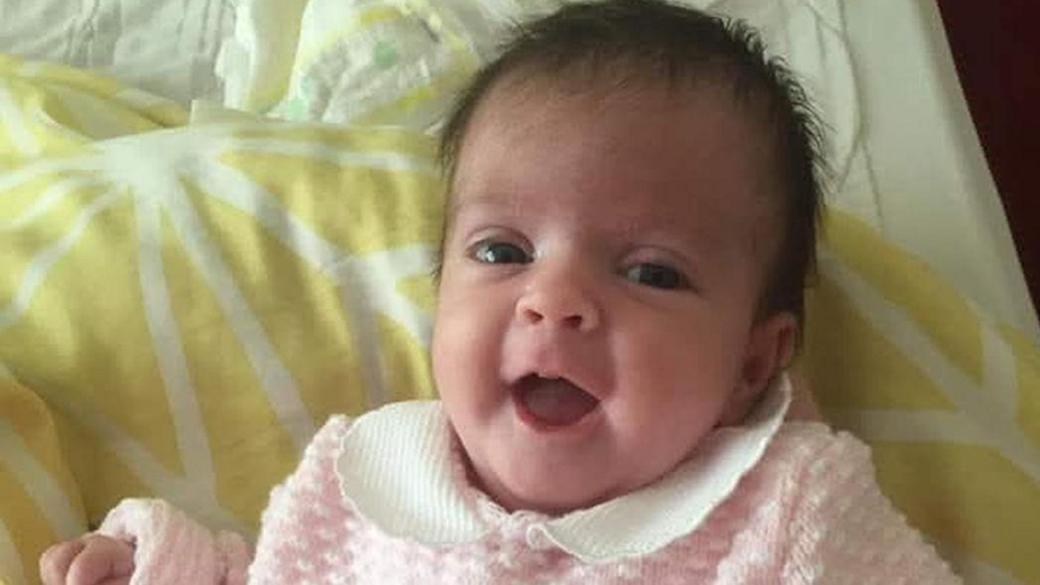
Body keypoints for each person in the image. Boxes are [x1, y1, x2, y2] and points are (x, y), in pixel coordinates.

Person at [40, 1, 961, 583]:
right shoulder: (364, 479)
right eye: (503, 249)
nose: (553, 302)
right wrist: (154, 564)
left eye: (649, 271)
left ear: (750, 362)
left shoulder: (781, 507)